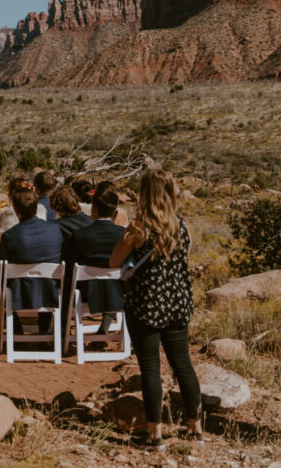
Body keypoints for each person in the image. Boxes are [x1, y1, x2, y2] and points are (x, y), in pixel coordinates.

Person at [110, 168, 202, 450]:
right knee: (183, 366)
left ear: (145, 194)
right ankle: (196, 429)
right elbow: (182, 259)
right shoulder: (182, 226)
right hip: (176, 304)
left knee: (150, 368)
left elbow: (115, 262)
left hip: (146, 305)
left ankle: (155, 435)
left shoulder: (137, 229)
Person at [2, 185, 63, 334]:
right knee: (45, 280)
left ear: (16, 211)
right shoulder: (55, 229)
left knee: (0, 284)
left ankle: (16, 331)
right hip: (51, 289)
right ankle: (43, 331)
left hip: (20, 290)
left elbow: (3, 266)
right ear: (37, 207)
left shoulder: (9, 236)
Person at [69, 184, 125, 335]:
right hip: (119, 292)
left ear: (93, 209)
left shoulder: (80, 235)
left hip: (86, 293)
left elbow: (71, 266)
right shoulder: (124, 235)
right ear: (114, 212)